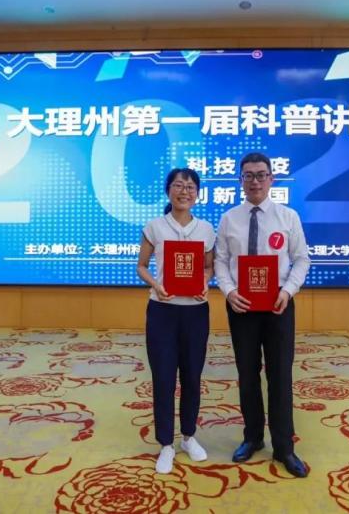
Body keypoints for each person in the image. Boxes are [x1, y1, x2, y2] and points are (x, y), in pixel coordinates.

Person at [214, 152, 311, 478]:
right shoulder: (229, 219)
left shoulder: (287, 217)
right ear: (240, 180)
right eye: (248, 175)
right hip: (241, 305)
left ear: (271, 179)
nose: (254, 181)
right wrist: (229, 291)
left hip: (277, 305)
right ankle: (252, 437)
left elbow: (302, 259)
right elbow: (221, 261)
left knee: (280, 374)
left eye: (260, 175)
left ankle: (284, 447)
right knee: (248, 373)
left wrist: (288, 291)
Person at [136, 167, 215, 474]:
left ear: (198, 193)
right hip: (163, 311)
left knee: (193, 375)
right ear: (168, 190)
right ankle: (166, 444)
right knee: (164, 377)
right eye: (179, 185)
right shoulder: (155, 226)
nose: (185, 191)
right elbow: (142, 266)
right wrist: (156, 285)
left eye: (191, 186)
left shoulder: (206, 229)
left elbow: (208, 267)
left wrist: (205, 282)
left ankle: (189, 437)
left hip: (196, 312)